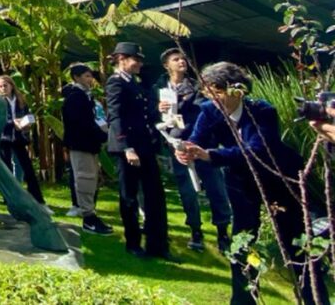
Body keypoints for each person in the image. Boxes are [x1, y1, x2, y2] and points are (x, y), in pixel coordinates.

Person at [178, 62, 328, 305]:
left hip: (278, 178)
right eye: (208, 93)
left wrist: (211, 155)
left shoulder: (262, 110)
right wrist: (187, 150)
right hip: (241, 182)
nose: (212, 98)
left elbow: (256, 150)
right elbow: (197, 139)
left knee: (296, 241)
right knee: (243, 240)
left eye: (216, 92)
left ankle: (315, 299)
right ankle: (243, 299)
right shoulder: (209, 111)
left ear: (235, 90)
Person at [156, 48, 231, 252]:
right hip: (177, 144)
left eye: (183, 58)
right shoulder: (159, 88)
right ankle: (195, 231)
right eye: (176, 59)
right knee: (187, 191)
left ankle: (223, 233)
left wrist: (181, 104)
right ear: (166, 65)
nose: (181, 62)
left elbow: (204, 111)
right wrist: (159, 110)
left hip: (203, 144)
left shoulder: (198, 87)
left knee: (215, 188)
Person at [105, 41, 173, 260]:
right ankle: (133, 243)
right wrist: (126, 147)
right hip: (128, 147)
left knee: (155, 196)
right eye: (136, 60)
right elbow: (115, 116)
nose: (139, 64)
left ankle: (158, 244)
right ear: (122, 59)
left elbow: (142, 115)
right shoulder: (116, 82)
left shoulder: (133, 83)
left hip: (144, 145)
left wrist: (157, 110)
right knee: (130, 197)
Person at [61, 63, 112, 235]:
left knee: (91, 179)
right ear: (76, 77)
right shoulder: (75, 97)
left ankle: (91, 214)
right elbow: (80, 123)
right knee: (84, 178)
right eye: (86, 76)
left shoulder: (86, 96)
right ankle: (88, 217)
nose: (90, 80)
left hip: (89, 144)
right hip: (81, 144)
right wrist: (99, 134)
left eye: (90, 76)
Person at [0, 75, 49, 212]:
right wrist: (13, 123)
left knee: (28, 169)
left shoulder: (20, 101)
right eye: (0, 86)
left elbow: (27, 114)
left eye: (5, 85)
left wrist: (27, 123)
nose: (3, 88)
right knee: (5, 169)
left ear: (12, 86)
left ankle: (39, 200)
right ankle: (9, 199)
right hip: (4, 138)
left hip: (19, 137)